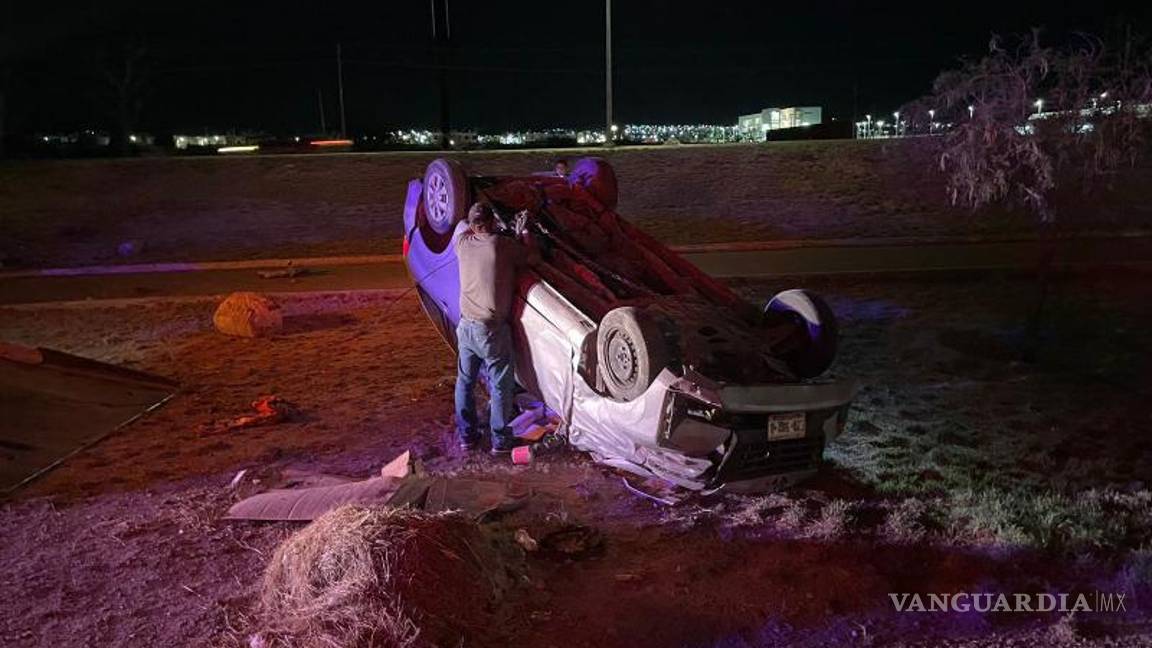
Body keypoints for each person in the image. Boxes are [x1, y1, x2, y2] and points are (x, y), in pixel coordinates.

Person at [454, 202, 535, 453]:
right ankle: (500, 441)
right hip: (490, 331)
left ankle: (467, 437)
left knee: (464, 382)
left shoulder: (461, 245)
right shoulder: (501, 245)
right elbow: (533, 257)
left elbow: (461, 227)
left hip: (465, 327)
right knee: (500, 385)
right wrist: (524, 233)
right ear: (491, 223)